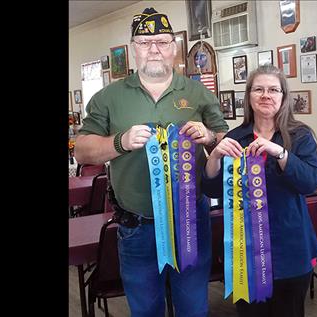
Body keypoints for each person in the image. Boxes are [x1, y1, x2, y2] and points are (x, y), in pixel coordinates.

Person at [74, 7, 228, 317]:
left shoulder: (197, 92)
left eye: (161, 41)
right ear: (134, 50)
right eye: (145, 43)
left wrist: (209, 136)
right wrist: (120, 141)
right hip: (136, 224)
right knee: (145, 309)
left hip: (190, 221)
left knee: (193, 307)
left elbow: (223, 138)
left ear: (173, 47)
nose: (154, 49)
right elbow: (81, 150)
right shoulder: (108, 97)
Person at [202, 64, 317, 317]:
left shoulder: (300, 136)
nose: (266, 95)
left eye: (273, 89)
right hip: (245, 252)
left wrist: (279, 152)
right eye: (258, 89)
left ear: (283, 97)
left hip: (290, 249)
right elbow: (213, 190)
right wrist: (213, 157)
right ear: (249, 97)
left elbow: (310, 181)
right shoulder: (234, 137)